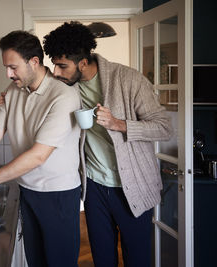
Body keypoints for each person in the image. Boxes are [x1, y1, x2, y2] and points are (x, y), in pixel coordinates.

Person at [40, 21, 173, 267]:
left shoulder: (129, 79)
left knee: (137, 259)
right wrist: (12, 95)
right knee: (102, 258)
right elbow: (37, 84)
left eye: (61, 66)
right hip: (94, 187)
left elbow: (164, 128)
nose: (56, 72)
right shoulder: (68, 86)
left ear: (82, 63)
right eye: (54, 65)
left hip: (132, 184)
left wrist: (118, 124)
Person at [0, 30, 82, 267]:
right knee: (36, 261)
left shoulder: (63, 96)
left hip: (58, 195)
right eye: (6, 67)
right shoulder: (13, 91)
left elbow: (38, 155)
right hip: (27, 191)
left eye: (13, 67)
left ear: (34, 62)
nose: (8, 74)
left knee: (59, 262)